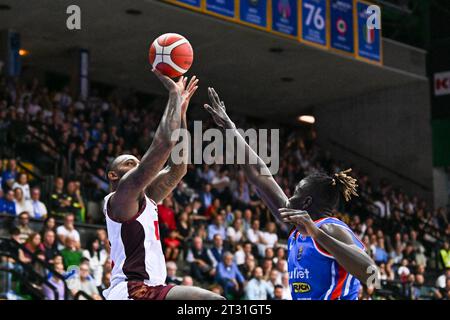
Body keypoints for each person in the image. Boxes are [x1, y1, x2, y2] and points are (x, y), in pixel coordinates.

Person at [204, 88, 377, 300]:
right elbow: (260, 176)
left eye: (296, 192)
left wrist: (316, 233)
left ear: (307, 202)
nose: (290, 197)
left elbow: (372, 275)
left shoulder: (331, 229)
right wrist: (230, 129)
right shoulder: (297, 227)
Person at [101, 71, 221, 300]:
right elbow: (164, 144)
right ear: (113, 175)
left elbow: (178, 168)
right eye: (129, 164)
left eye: (137, 163)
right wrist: (174, 97)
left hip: (152, 288)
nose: (136, 166)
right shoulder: (121, 196)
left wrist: (182, 114)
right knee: (210, 300)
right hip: (133, 290)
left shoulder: (144, 198)